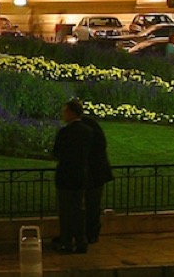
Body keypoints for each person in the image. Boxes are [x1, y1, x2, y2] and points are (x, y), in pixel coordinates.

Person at [51, 99, 94, 254]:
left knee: (65, 211)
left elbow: (57, 152)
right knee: (78, 210)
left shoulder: (64, 132)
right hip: (80, 175)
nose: (63, 114)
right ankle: (81, 241)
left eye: (65, 111)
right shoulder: (88, 132)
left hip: (66, 175)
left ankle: (67, 242)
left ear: (71, 112)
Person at [79, 110, 113, 244]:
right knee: (92, 204)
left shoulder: (86, 127)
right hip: (96, 174)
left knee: (91, 204)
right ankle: (91, 233)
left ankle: (90, 233)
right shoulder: (91, 127)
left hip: (94, 174)